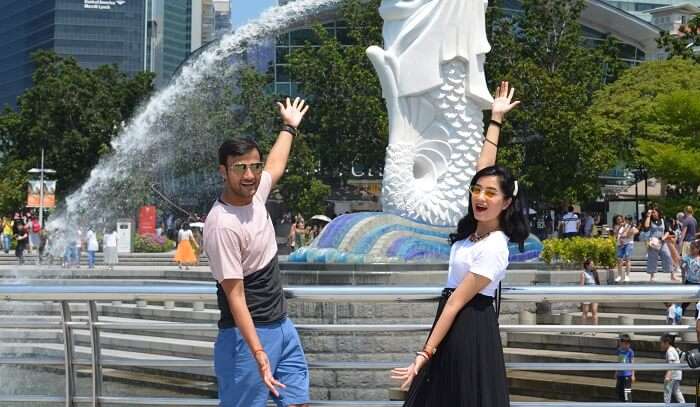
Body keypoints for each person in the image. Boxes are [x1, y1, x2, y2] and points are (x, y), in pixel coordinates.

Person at [391, 82, 526, 407]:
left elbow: (455, 303)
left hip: (469, 328)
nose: (481, 197)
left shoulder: (494, 246)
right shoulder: (473, 230)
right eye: (477, 190)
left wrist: (423, 354)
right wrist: (495, 119)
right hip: (454, 325)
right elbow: (483, 169)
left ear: (507, 203)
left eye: (491, 194)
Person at [203, 97, 310, 407]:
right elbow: (235, 297)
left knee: (297, 402)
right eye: (240, 168)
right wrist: (258, 351)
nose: (250, 175)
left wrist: (289, 127)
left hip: (281, 326)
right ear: (223, 171)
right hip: (245, 338)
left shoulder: (256, 194)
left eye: (254, 166)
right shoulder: (222, 224)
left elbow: (276, 165)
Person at [643, 208, 672, 282]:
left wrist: (663, 238)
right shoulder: (650, 220)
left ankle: (671, 272)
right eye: (652, 213)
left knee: (667, 255)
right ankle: (652, 276)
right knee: (652, 259)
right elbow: (646, 227)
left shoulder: (663, 221)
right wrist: (648, 216)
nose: (653, 214)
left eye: (654, 212)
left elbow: (667, 231)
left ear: (658, 213)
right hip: (653, 242)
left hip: (662, 241)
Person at [661, 334, 685, 404]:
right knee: (676, 391)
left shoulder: (670, 351)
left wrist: (668, 375)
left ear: (667, 343)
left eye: (661, 343)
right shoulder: (673, 349)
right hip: (677, 374)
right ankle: (683, 404)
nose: (661, 345)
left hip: (672, 375)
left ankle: (667, 404)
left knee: (667, 391)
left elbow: (671, 362)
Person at [615, 215, 638, 283]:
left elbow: (636, 231)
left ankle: (627, 276)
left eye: (627, 219)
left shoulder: (631, 226)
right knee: (619, 259)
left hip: (628, 243)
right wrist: (620, 227)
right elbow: (616, 234)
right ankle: (619, 275)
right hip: (620, 244)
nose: (625, 221)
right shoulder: (618, 226)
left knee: (627, 258)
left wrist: (628, 235)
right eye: (625, 219)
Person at [615, 334, 635, 402]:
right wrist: (616, 372)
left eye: (628, 343)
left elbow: (632, 363)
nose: (627, 345)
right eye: (625, 343)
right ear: (621, 343)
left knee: (627, 391)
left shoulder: (630, 352)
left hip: (627, 375)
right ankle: (621, 403)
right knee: (619, 390)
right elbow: (619, 362)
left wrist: (633, 375)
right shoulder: (619, 350)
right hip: (620, 375)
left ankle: (628, 403)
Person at [580, 260, 600, 328]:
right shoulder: (583, 273)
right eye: (591, 264)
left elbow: (598, 284)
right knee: (585, 311)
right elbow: (581, 285)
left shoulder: (595, 273)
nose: (593, 265)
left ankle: (595, 329)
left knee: (594, 311)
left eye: (593, 264)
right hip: (586, 293)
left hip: (595, 293)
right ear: (587, 265)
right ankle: (583, 329)